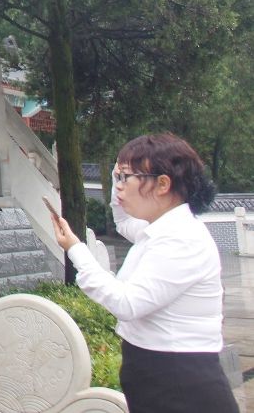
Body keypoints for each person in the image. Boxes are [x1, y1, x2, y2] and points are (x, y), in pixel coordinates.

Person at [52, 133, 238, 413]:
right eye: (118, 177)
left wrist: (76, 250)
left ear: (163, 184)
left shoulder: (181, 239)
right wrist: (120, 172)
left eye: (126, 178)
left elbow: (127, 304)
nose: (119, 186)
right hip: (161, 375)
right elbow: (123, 220)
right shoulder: (159, 229)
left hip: (181, 383)